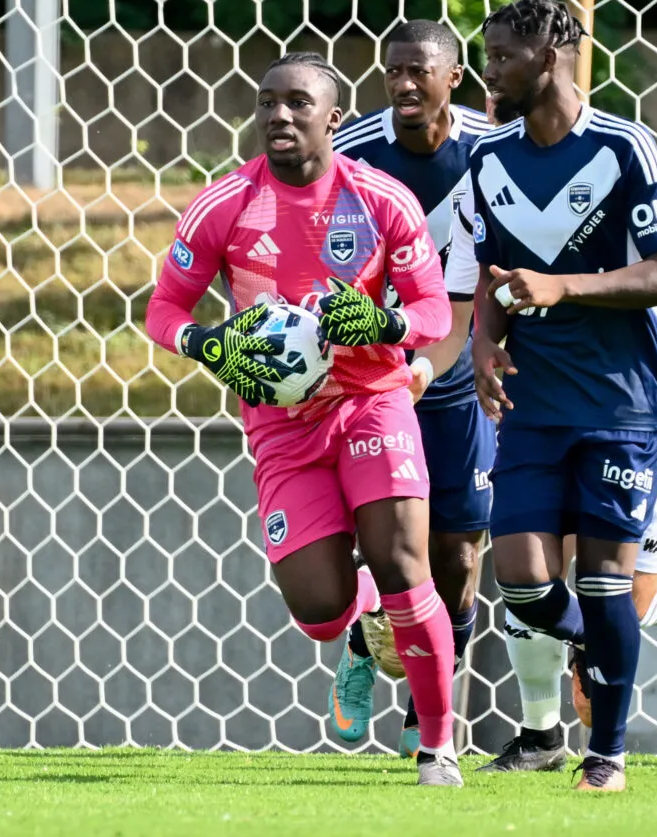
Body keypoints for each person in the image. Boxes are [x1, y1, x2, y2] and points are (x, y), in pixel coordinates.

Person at [144, 52, 463, 786]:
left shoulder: (381, 199)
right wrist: (209, 344)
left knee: (406, 565)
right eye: (267, 104)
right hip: (283, 423)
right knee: (318, 608)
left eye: (296, 103)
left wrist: (381, 321)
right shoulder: (224, 203)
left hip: (371, 403)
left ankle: (438, 746)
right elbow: (164, 308)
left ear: (334, 119)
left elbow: (434, 310)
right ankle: (358, 631)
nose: (278, 117)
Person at [467, 0, 657, 792]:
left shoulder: (625, 145)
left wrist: (563, 287)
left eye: (500, 56)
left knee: (604, 582)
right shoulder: (489, 159)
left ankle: (609, 755)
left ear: (549, 58)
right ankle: (600, 649)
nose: (488, 72)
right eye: (487, 56)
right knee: (523, 581)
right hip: (530, 405)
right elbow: (492, 278)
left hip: (618, 405)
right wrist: (483, 339)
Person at [479, 201, 657, 773]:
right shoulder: (499, 181)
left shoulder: (625, 180)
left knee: (617, 599)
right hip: (556, 398)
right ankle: (540, 736)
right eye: (493, 104)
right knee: (533, 568)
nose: (499, 110)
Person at [325, 20, 495, 759]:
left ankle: (430, 703)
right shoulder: (354, 151)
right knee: (382, 548)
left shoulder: (493, 149)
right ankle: (392, 683)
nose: (403, 85)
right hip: (367, 383)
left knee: (458, 554)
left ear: (452, 78)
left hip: (453, 375)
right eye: (393, 72)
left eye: (419, 72)